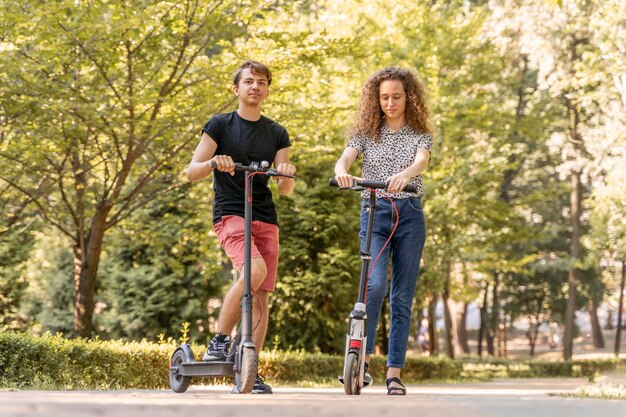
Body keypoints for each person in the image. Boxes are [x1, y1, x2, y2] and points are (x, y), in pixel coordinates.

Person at [186, 60, 296, 394]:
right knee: (255, 270)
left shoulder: (276, 132)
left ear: (267, 90)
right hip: (231, 211)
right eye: (249, 81)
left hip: (265, 215)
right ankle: (221, 339)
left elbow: (285, 188)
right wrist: (213, 162)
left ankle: (251, 370)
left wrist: (287, 173)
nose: (256, 87)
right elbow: (192, 170)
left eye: (262, 82)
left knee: (261, 296)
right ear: (237, 89)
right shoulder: (220, 125)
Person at [334, 66, 433, 395]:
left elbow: (421, 161)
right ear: (375, 99)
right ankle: (360, 360)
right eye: (384, 97)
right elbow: (344, 159)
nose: (390, 103)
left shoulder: (420, 134)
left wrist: (407, 173)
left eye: (397, 97)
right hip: (374, 212)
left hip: (409, 214)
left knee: (401, 297)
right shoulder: (366, 132)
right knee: (373, 287)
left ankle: (393, 373)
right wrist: (342, 172)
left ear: (409, 97)